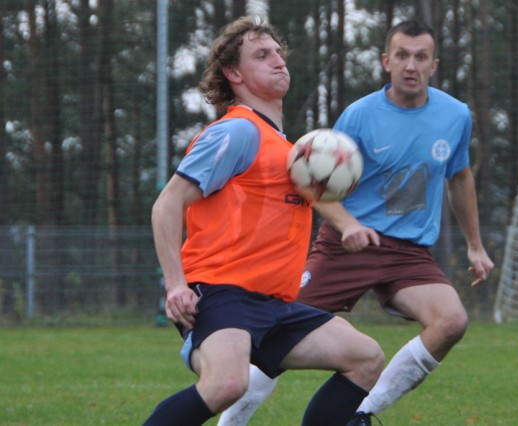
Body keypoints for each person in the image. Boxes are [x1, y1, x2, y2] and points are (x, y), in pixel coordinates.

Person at [218, 19, 494, 425]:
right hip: (347, 244)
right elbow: (314, 184)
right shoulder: (359, 115)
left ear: (434, 65)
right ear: (386, 61)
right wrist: (347, 224)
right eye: (402, 55)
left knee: (451, 321)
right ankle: (230, 423)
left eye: (420, 57)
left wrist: (475, 244)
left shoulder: (455, 116)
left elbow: (460, 176)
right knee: (275, 336)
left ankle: (361, 415)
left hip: (409, 253)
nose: (410, 65)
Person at [143, 16, 384, 426]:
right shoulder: (237, 132)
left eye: (277, 53)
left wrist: (348, 226)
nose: (278, 61)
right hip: (222, 293)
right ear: (234, 73)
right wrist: (176, 285)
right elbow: (166, 204)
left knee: (366, 358)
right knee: (227, 384)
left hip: (274, 304)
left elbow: (314, 197)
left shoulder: (285, 147)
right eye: (261, 55)